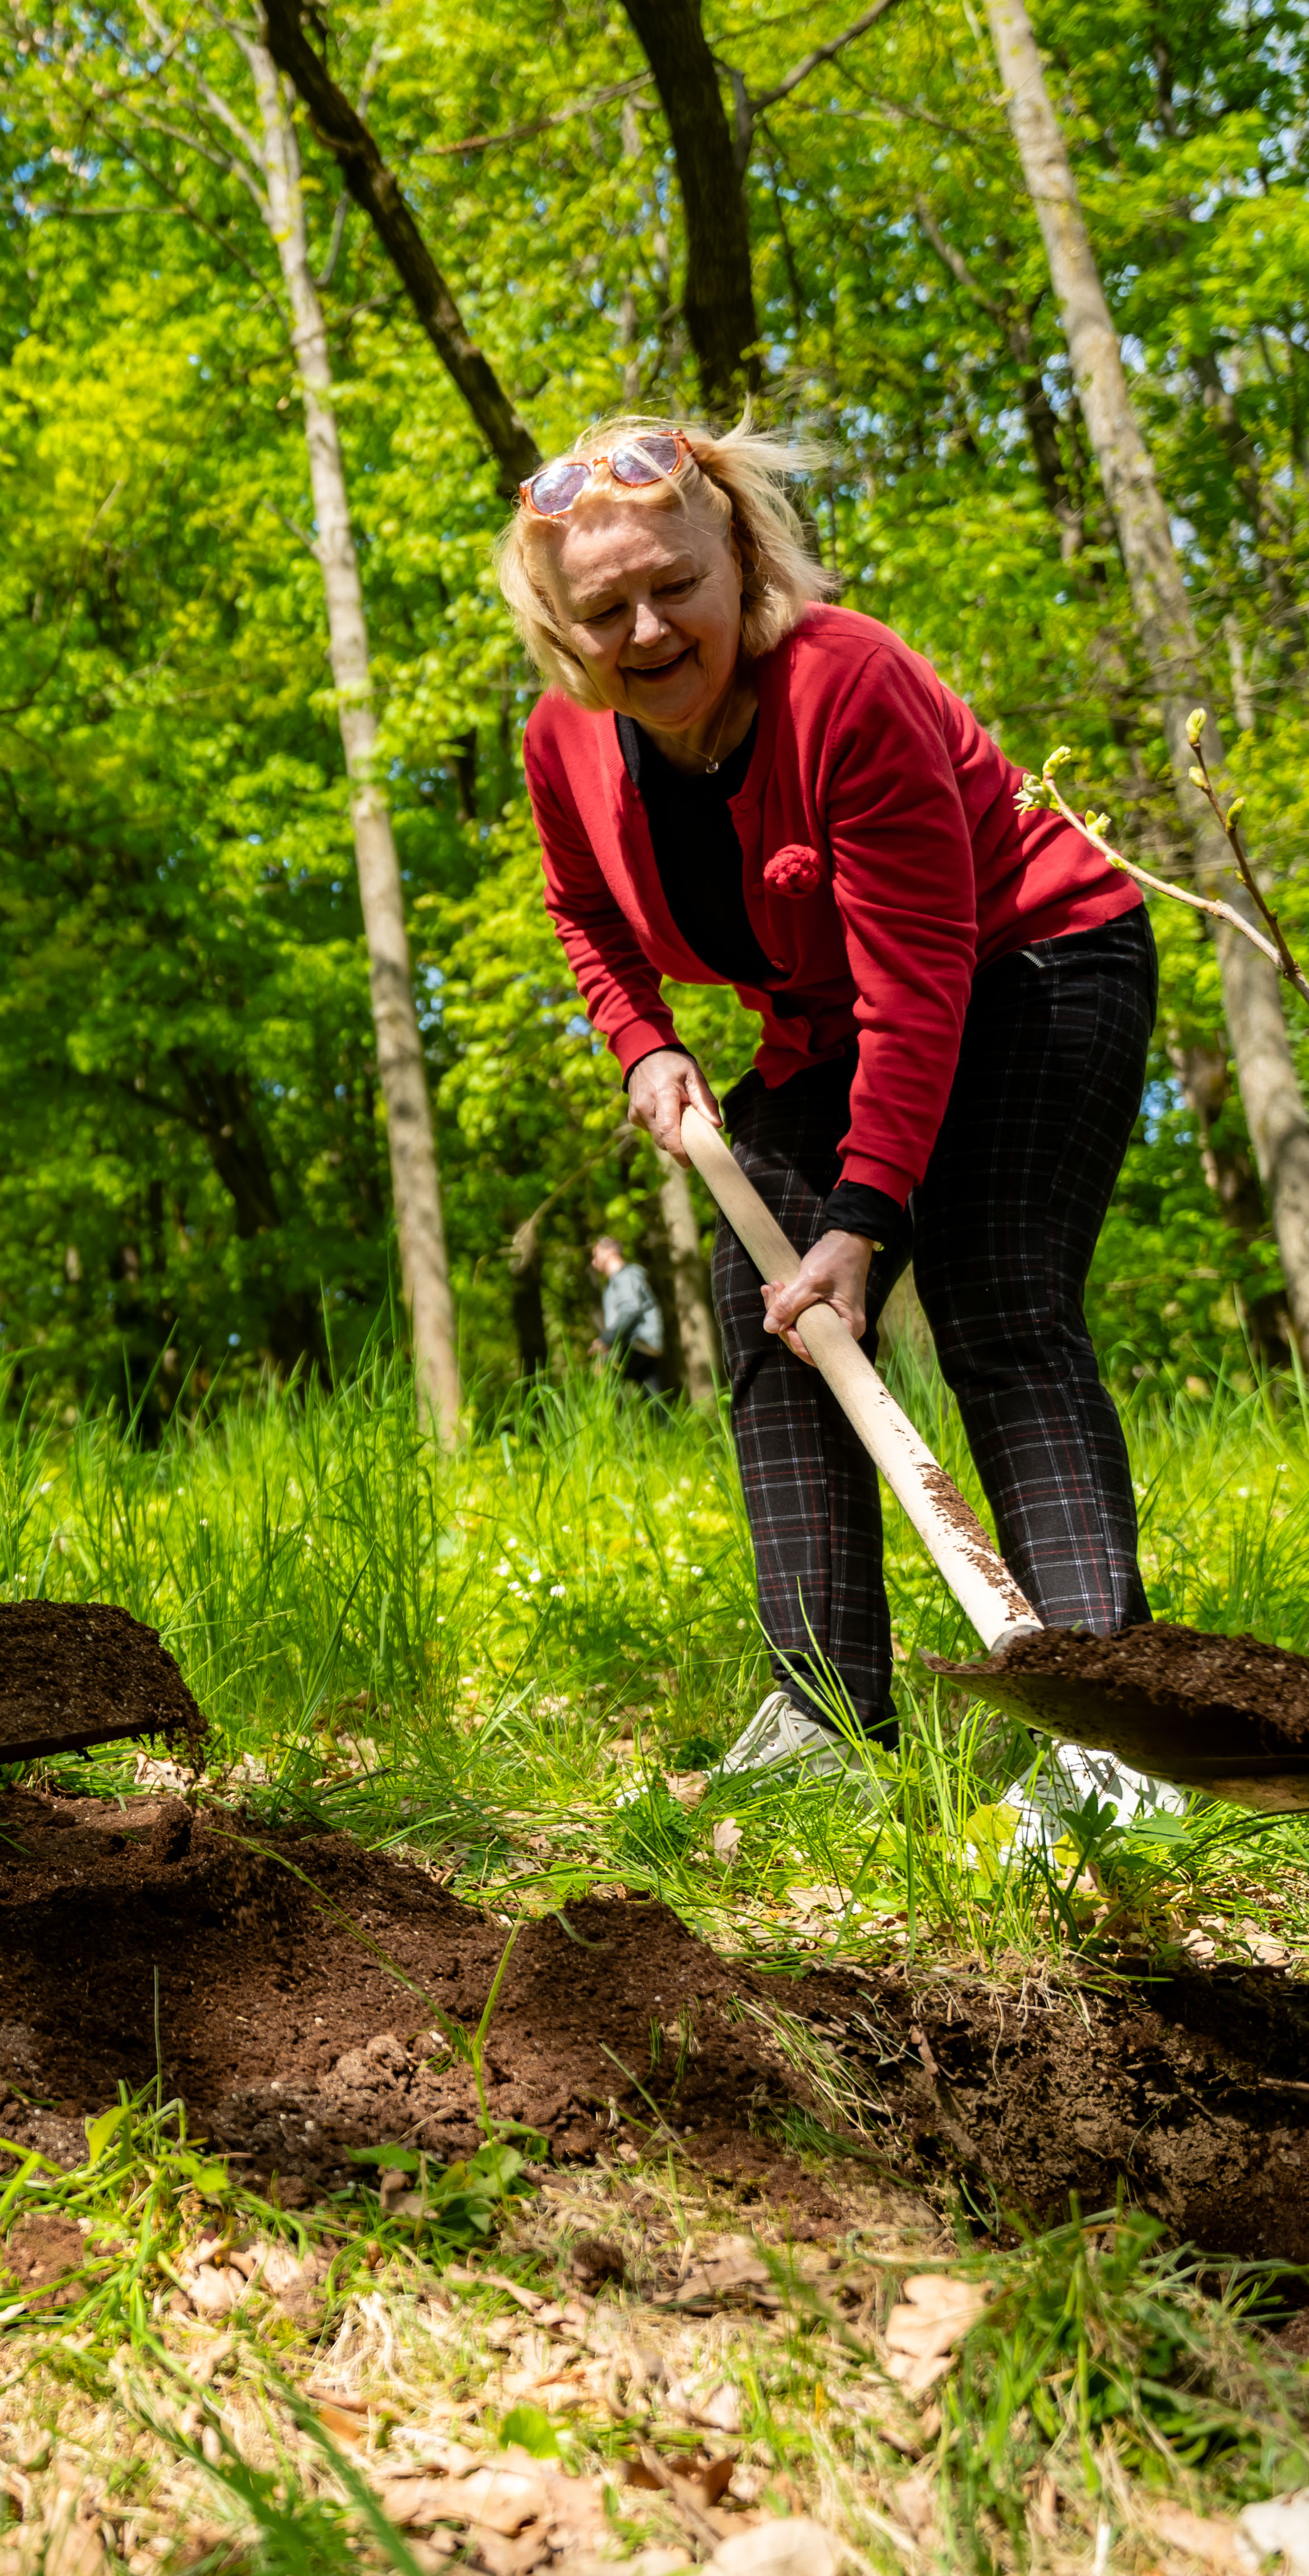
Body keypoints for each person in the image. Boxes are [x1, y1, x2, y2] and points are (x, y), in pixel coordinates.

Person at [500, 417, 1181, 1839]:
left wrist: (866, 1217)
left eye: (674, 585)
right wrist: (644, 1043)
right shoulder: (562, 742)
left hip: (1035, 962)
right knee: (773, 1314)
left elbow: (921, 980)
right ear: (562, 625)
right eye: (605, 609)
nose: (647, 629)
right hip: (831, 1019)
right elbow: (583, 910)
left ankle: (1112, 1730)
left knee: (997, 1298)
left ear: (741, 560)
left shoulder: (845, 682)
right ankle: (824, 1712)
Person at [588, 1234, 673, 1405]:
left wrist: (606, 1339)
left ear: (610, 1253)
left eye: (596, 1255)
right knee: (652, 1395)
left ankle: (606, 1420)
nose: (593, 1262)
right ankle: (663, 1422)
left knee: (604, 1379)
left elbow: (630, 1309)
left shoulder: (625, 1277)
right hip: (642, 1344)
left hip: (638, 1343)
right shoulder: (617, 1281)